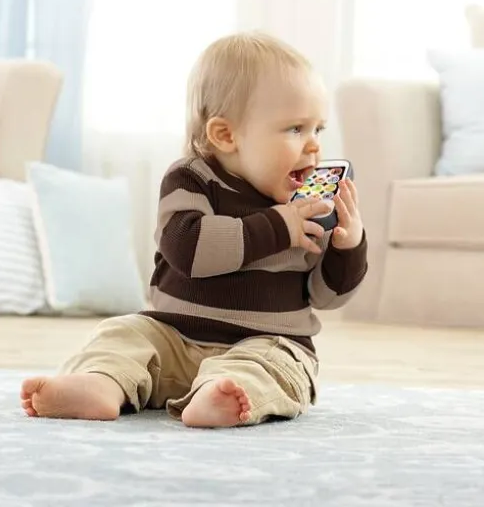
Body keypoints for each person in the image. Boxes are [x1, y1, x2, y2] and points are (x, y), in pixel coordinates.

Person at [20, 32, 368, 428]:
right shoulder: (191, 179)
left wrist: (348, 246)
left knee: (277, 364)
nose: (314, 146)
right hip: (174, 337)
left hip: (267, 342)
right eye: (295, 129)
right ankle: (100, 382)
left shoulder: (305, 205)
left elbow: (326, 297)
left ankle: (222, 395)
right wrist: (277, 226)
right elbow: (189, 249)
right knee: (123, 334)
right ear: (226, 135)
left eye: (318, 129)